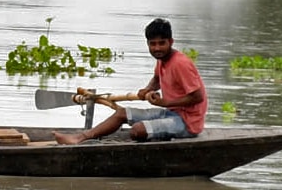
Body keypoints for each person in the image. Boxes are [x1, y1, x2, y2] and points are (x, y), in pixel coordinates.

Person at [55, 18, 207, 145]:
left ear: (171, 42)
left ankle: (157, 139)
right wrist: (147, 89)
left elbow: (197, 96)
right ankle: (80, 138)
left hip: (187, 123)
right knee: (121, 113)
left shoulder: (180, 63)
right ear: (147, 44)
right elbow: (156, 79)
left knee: (138, 130)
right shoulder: (162, 59)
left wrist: (164, 103)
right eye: (153, 44)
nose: (157, 48)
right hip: (171, 113)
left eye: (162, 43)